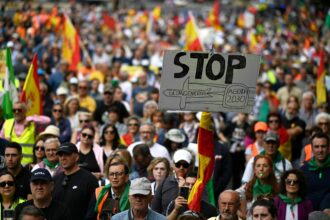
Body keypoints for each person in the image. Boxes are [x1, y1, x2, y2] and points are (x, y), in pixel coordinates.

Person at [52, 142, 99, 220]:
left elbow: (92, 210)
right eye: (60, 155)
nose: (63, 157)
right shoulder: (55, 179)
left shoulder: (89, 179)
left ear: (77, 157)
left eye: (67, 154)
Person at [151, 149, 193, 215]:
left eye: (185, 165)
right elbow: (155, 209)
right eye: (178, 164)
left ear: (190, 166)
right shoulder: (165, 182)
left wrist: (185, 189)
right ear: (173, 165)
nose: (181, 167)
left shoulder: (197, 183)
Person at [301, 132, 330, 210]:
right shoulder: (303, 171)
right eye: (316, 147)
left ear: (328, 148)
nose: (320, 150)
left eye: (323, 146)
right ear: (312, 149)